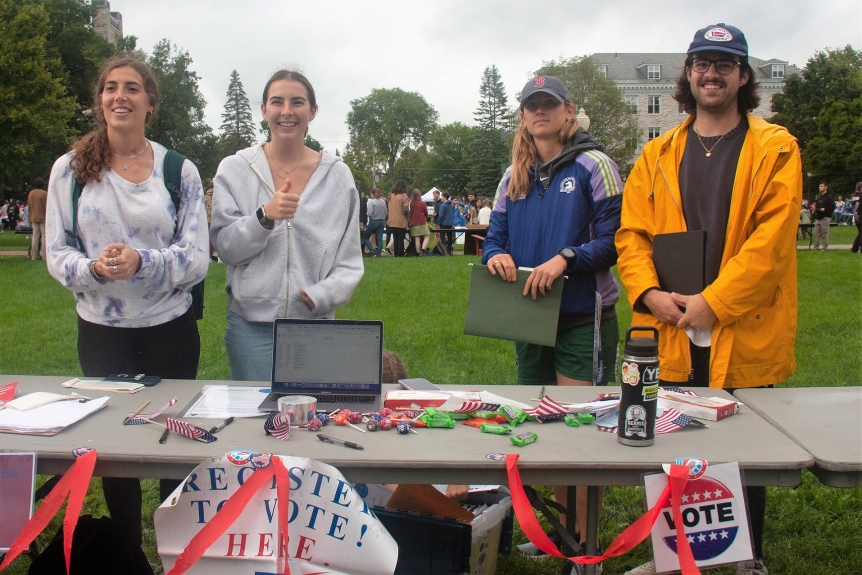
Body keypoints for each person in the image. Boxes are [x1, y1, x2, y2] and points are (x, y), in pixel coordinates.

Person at [615, 24, 801, 575]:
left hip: (742, 322)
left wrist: (714, 303)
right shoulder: (656, 153)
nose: (711, 73)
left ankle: (750, 558)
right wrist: (648, 293)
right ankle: (679, 556)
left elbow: (771, 245)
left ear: (743, 76)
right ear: (688, 74)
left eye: (725, 64)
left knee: (744, 446)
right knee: (676, 441)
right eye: (701, 63)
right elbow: (632, 237)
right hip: (670, 323)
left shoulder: (775, 148)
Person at [45, 55, 209, 548]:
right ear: (100, 100)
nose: (121, 96)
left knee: (171, 439)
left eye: (132, 88)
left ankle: (171, 543)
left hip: (170, 328)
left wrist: (143, 262)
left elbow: (196, 258)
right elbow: (57, 253)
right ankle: (124, 550)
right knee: (115, 448)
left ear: (150, 104)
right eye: (111, 88)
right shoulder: (70, 171)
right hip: (101, 330)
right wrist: (93, 269)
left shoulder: (179, 171)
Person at [481, 75, 623, 569]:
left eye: (550, 103)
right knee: (542, 427)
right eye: (531, 105)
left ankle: (587, 546)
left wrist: (565, 257)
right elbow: (494, 238)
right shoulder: (512, 175)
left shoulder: (594, 165)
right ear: (523, 116)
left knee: (578, 428)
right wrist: (496, 256)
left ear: (569, 111)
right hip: (528, 315)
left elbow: (614, 241)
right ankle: (563, 533)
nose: (540, 111)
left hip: (583, 314)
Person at [211, 70, 363, 382]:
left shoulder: (337, 176)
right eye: (277, 102)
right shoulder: (235, 169)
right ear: (264, 110)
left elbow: (349, 262)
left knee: (312, 418)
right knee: (253, 421)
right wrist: (263, 217)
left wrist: (322, 294)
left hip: (314, 326)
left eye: (297, 102)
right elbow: (225, 249)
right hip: (250, 328)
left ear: (312, 112)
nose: (287, 111)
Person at [385, 179, 410, 256]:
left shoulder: (391, 196)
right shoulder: (404, 197)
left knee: (395, 238)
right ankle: (400, 254)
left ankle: (396, 254)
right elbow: (406, 210)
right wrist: (408, 218)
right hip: (401, 221)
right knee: (400, 239)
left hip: (392, 220)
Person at [27, 177, 48, 260]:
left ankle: (33, 256)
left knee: (35, 237)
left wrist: (30, 216)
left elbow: (29, 206)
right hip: (43, 217)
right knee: (44, 237)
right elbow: (46, 206)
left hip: (34, 217)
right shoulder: (44, 194)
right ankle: (45, 257)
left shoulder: (31, 193)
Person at [363, 187, 387, 256]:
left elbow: (369, 213)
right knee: (379, 239)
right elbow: (385, 213)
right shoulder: (383, 202)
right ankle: (378, 254)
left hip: (373, 221)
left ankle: (371, 250)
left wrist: (366, 214)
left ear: (372, 194)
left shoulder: (371, 202)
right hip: (381, 221)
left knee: (366, 238)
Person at [811, 181, 834, 250]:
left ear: (826, 187)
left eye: (822, 186)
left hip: (825, 217)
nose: (820, 188)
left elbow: (832, 207)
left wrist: (825, 209)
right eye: (819, 186)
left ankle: (825, 247)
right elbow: (817, 207)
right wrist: (814, 210)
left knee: (824, 233)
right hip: (818, 217)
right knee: (816, 233)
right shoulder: (819, 198)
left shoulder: (829, 197)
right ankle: (815, 247)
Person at [409, 189, 430, 256]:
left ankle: (418, 252)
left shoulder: (411, 203)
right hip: (422, 222)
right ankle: (423, 250)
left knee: (417, 239)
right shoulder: (422, 203)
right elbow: (426, 212)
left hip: (414, 223)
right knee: (426, 237)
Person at [852, 183, 862, 253]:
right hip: (861, 216)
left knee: (860, 234)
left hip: (856, 217)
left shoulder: (854, 196)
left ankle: (854, 249)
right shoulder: (861, 196)